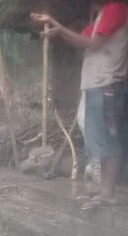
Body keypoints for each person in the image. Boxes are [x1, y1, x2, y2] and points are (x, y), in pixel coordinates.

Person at [31, 0, 128, 209]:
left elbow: (94, 44)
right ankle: (105, 188)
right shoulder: (103, 14)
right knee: (99, 139)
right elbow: (83, 38)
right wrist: (53, 23)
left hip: (107, 84)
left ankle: (109, 192)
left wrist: (59, 30)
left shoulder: (116, 8)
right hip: (97, 85)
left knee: (108, 139)